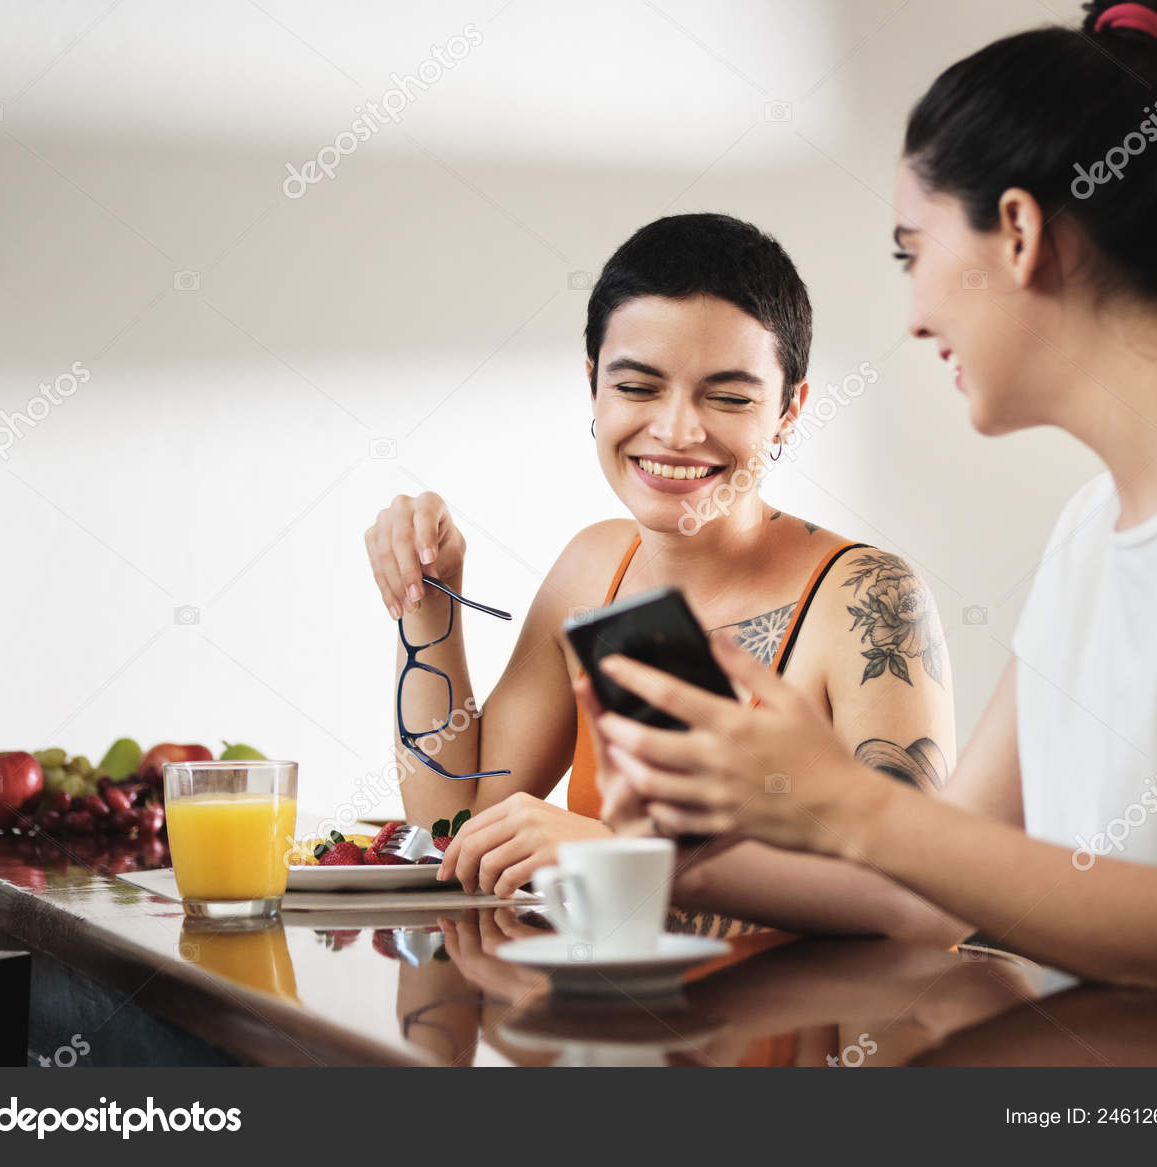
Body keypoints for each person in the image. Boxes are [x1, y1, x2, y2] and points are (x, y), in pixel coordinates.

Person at [586, 1, 1157, 1063]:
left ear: (1017, 233)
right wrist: (690, 852)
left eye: (910, 250)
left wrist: (841, 801)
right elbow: (931, 884)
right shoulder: (1091, 529)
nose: (915, 313)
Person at [364, 213, 962, 939]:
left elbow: (922, 900)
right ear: (594, 388)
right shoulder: (593, 568)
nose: (677, 431)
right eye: (639, 388)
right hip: (611, 1036)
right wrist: (426, 601)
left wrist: (619, 856)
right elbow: (458, 827)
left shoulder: (867, 597)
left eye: (730, 397)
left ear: (789, 411)